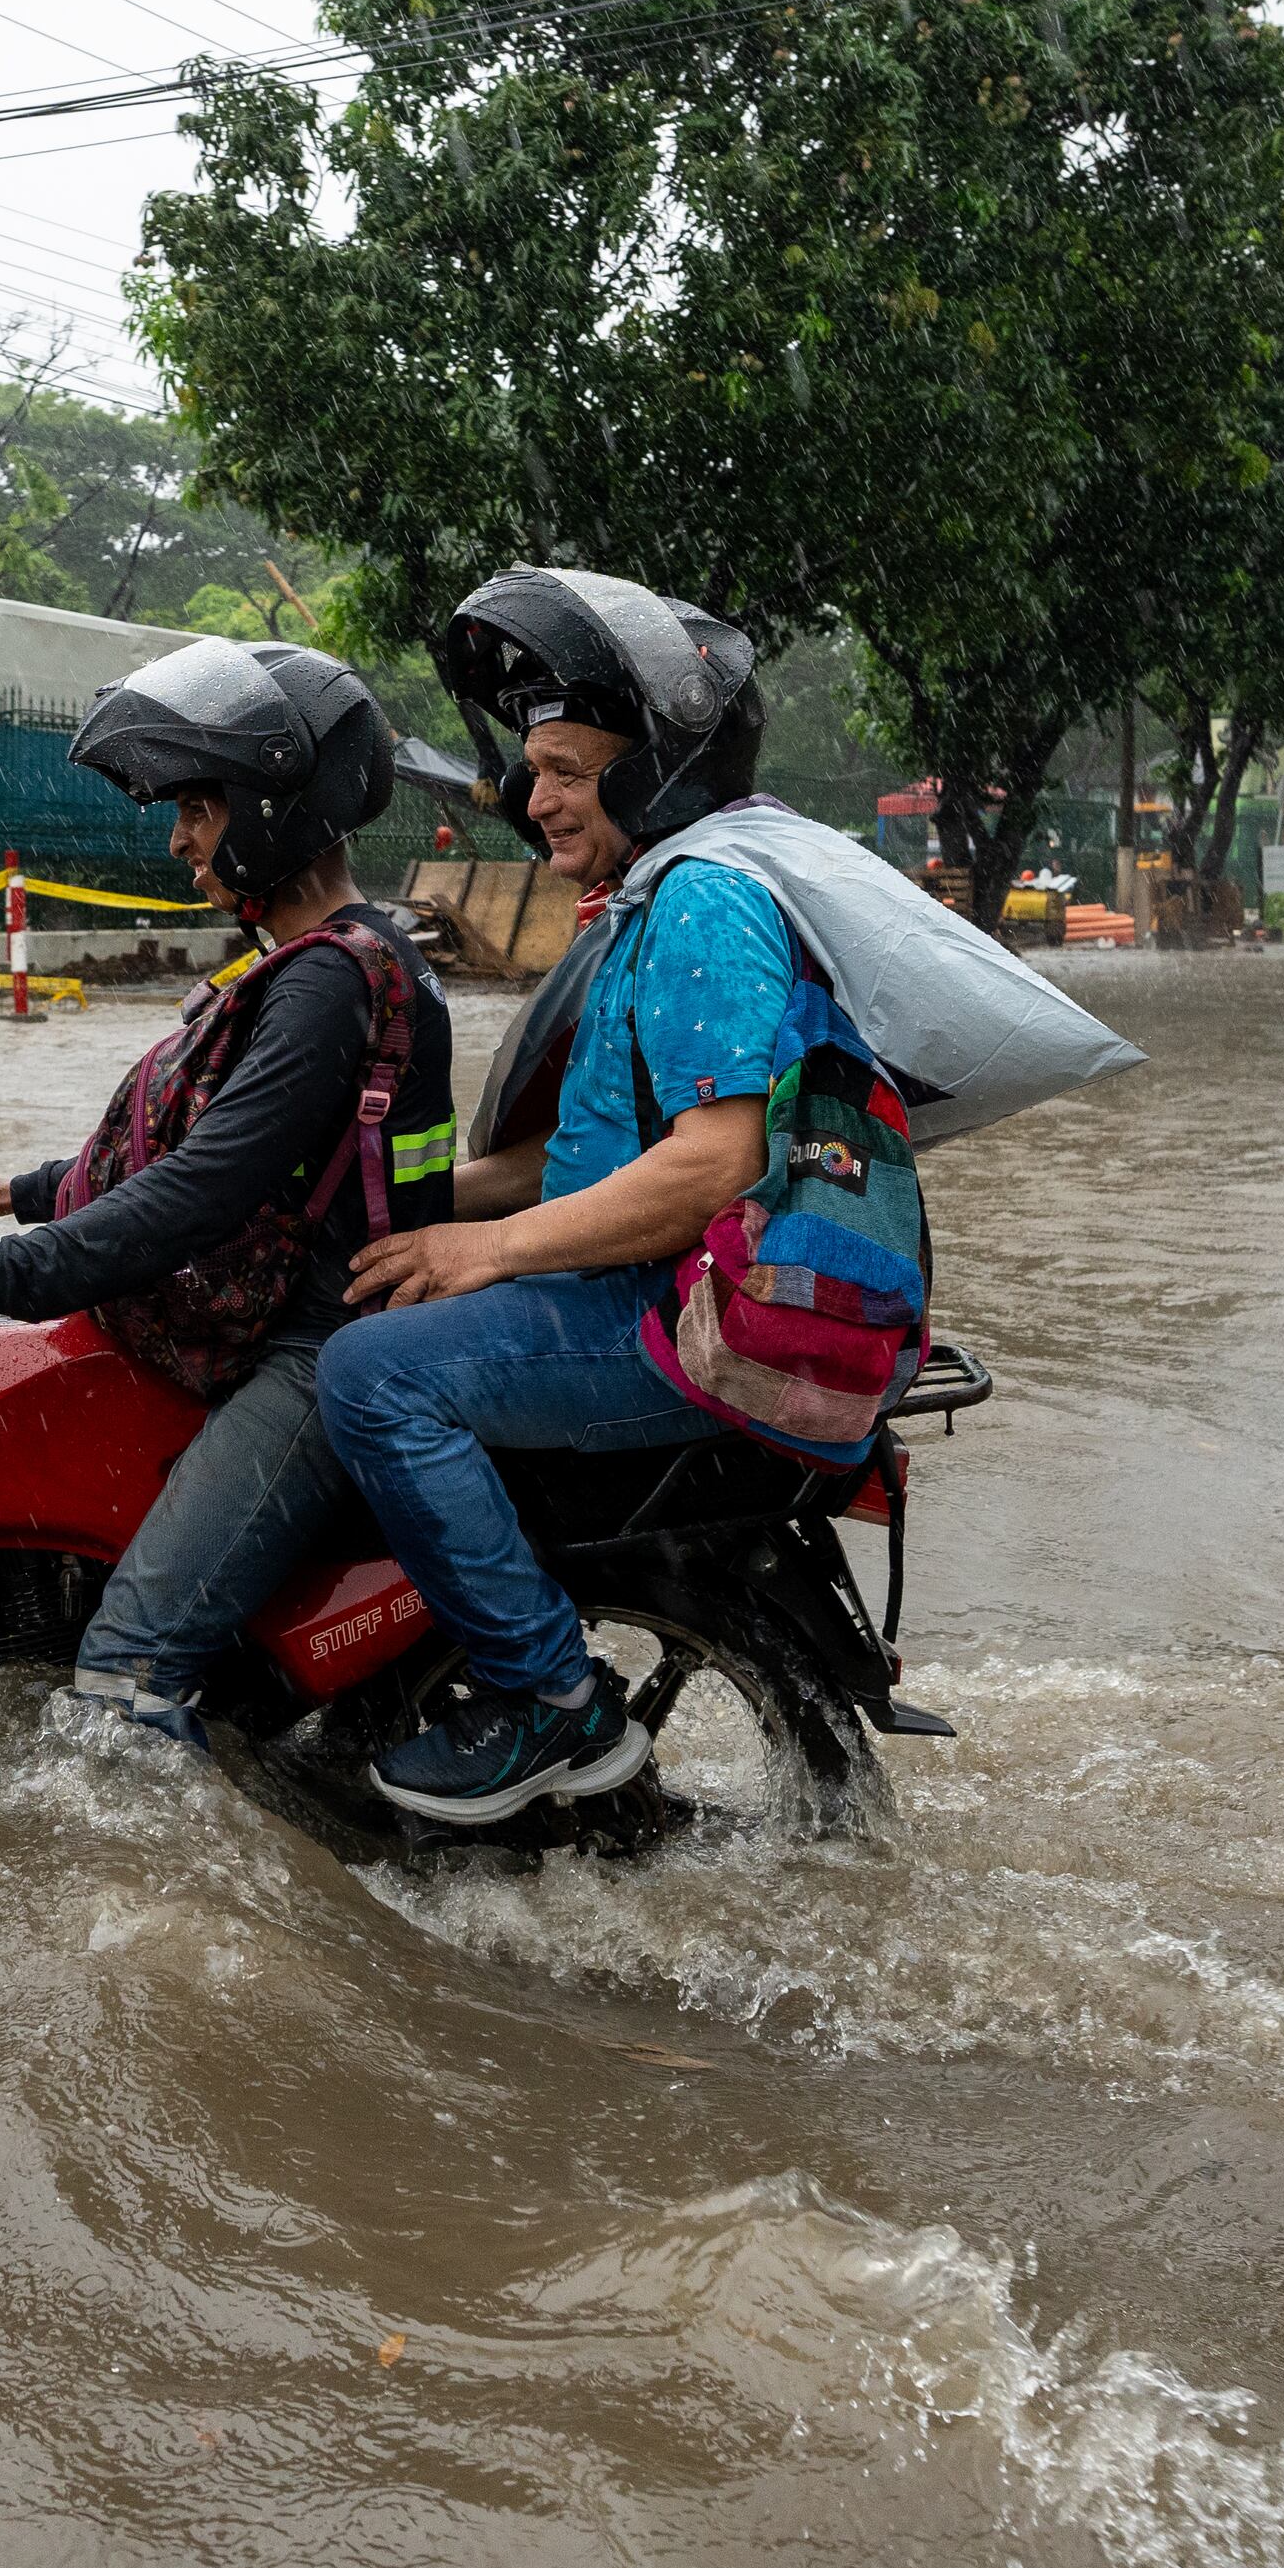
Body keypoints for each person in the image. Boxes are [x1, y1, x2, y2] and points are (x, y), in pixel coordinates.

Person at [316, 567, 856, 1825]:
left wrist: (486, 1252)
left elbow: (710, 1162)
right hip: (628, 1280)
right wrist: (397, 1204)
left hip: (672, 1313)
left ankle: (549, 1699)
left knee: (371, 1375)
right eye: (534, 766)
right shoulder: (633, 907)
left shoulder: (706, 899)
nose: (533, 796)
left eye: (565, 768)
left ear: (647, 772)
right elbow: (584, 1153)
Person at [0, 640, 457, 1742]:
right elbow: (190, 1156)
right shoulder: (329, 961)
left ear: (273, 805)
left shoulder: (328, 982)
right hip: (292, 1330)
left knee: (125, 1666)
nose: (179, 840)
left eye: (200, 810)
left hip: (315, 1355)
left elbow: (197, 1195)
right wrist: (11, 1195)